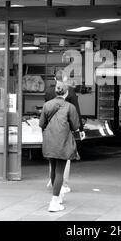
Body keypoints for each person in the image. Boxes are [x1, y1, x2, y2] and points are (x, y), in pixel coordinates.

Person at [39, 82, 80, 212]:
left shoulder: (47, 105)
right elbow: (75, 126)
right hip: (62, 141)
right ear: (66, 93)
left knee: (53, 169)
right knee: (60, 172)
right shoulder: (70, 107)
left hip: (50, 140)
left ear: (56, 92)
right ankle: (54, 201)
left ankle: (57, 195)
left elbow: (41, 124)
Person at [45, 70, 83, 194]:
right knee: (64, 158)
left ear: (55, 79)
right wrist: (80, 129)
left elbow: (45, 113)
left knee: (52, 156)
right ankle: (63, 184)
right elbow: (76, 112)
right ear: (65, 79)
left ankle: (53, 180)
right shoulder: (70, 91)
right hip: (64, 129)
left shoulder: (49, 91)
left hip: (51, 129)